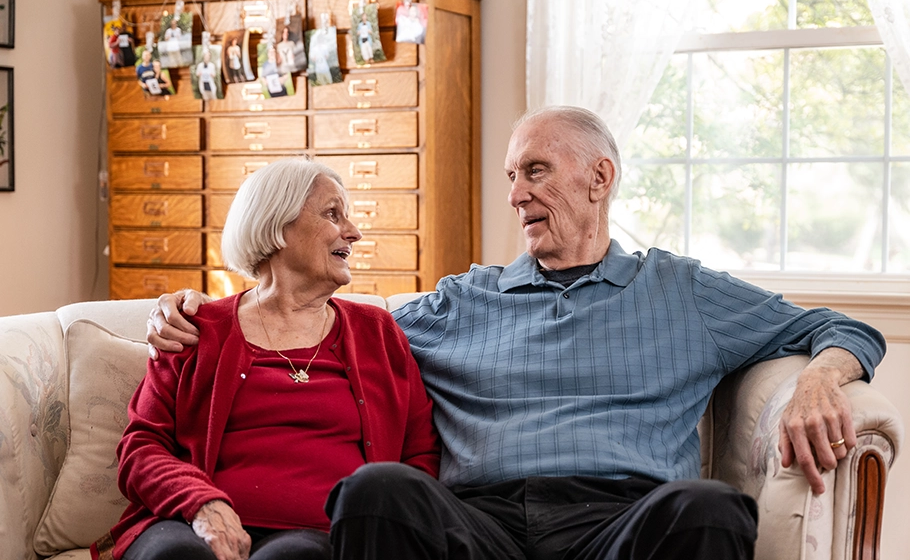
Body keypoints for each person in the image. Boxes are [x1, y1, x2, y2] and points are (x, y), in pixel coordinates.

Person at [147, 106, 886, 560]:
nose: (515, 195)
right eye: (509, 176)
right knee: (377, 489)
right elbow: (317, 319)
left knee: (711, 508)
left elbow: (841, 325)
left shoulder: (680, 290)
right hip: (477, 525)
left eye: (536, 170)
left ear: (600, 178)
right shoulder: (461, 300)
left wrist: (818, 378)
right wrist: (194, 313)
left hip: (619, 520)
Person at [95, 159, 439, 560]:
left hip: (319, 534)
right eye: (333, 214)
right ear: (277, 225)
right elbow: (141, 445)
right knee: (173, 556)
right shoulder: (195, 328)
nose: (354, 232)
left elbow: (420, 456)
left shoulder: (376, 332)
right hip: (189, 521)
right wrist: (201, 503)